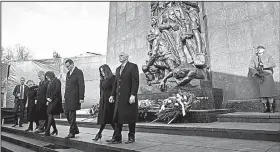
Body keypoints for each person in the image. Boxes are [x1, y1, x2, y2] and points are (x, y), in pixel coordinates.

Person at [107, 52, 140, 144]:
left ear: (126, 57)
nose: (119, 57)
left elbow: (135, 81)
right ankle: (117, 137)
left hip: (129, 97)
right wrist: (112, 95)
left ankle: (131, 137)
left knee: (131, 117)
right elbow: (116, 84)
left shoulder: (133, 67)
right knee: (118, 117)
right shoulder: (118, 69)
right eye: (119, 55)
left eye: (121, 55)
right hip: (119, 98)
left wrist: (133, 94)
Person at [249, 46, 278, 113]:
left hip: (268, 75)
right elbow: (251, 67)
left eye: (261, 49)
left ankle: (271, 107)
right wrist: (256, 73)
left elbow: (273, 64)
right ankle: (265, 107)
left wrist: (263, 65)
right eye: (258, 49)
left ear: (264, 50)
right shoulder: (254, 58)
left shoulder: (268, 56)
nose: (259, 50)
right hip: (260, 76)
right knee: (263, 93)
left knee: (269, 92)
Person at [92, 64, 116, 141]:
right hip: (103, 100)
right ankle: (101, 133)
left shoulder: (112, 78)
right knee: (105, 117)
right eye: (101, 71)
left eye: (103, 71)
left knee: (109, 117)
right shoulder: (102, 79)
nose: (102, 73)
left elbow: (114, 89)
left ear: (107, 70)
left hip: (110, 100)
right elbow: (101, 91)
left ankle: (100, 133)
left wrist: (112, 96)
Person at [64, 59, 85, 138]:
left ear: (72, 64)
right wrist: (65, 96)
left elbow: (81, 85)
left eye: (68, 66)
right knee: (66, 113)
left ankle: (72, 132)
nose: (67, 68)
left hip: (74, 97)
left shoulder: (78, 72)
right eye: (66, 66)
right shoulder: (68, 73)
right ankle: (75, 129)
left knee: (72, 115)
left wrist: (81, 97)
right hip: (68, 97)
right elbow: (67, 86)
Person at [44, 71, 63, 137]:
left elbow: (57, 91)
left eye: (48, 77)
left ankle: (47, 131)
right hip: (50, 100)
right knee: (49, 114)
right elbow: (47, 91)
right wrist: (47, 98)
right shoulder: (50, 82)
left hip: (56, 100)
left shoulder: (57, 81)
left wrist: (51, 98)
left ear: (51, 76)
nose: (47, 79)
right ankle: (55, 129)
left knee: (50, 113)